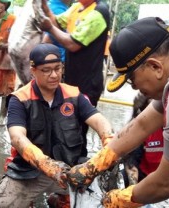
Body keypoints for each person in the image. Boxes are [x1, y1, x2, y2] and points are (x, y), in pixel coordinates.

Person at [66, 16, 169, 207]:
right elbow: (144, 122)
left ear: (155, 67)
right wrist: (94, 164)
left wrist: (112, 200)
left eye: (131, 79)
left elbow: (167, 182)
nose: (134, 88)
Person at [0, 43, 114, 207]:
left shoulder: (74, 94)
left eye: (58, 68)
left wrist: (109, 141)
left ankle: (59, 200)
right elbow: (17, 137)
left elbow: (99, 120)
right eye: (46, 70)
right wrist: (46, 164)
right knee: (1, 205)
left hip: (71, 170)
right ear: (33, 70)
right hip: (31, 172)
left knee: (100, 203)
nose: (54, 75)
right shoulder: (19, 99)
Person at [39, 0, 110, 158]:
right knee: (67, 124)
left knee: (78, 130)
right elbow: (56, 21)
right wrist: (43, 5)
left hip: (88, 83)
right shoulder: (77, 7)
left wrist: (49, 28)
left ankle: (79, 168)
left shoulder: (99, 12)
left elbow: (72, 44)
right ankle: (65, 161)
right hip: (71, 80)